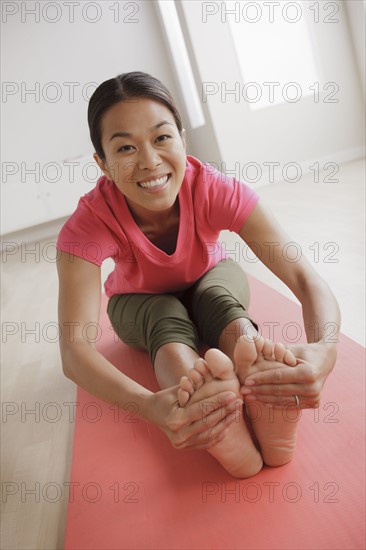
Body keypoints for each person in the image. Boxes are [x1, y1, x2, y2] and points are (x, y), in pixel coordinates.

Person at [56, 71, 340, 478]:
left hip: (213, 274)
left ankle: (260, 382)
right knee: (163, 317)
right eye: (125, 148)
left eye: (161, 138)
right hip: (137, 301)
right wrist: (151, 405)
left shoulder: (214, 188)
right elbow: (75, 353)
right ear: (101, 163)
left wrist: (325, 351)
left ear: (182, 139)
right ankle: (204, 402)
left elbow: (304, 277)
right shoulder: (87, 224)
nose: (150, 161)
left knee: (223, 306)